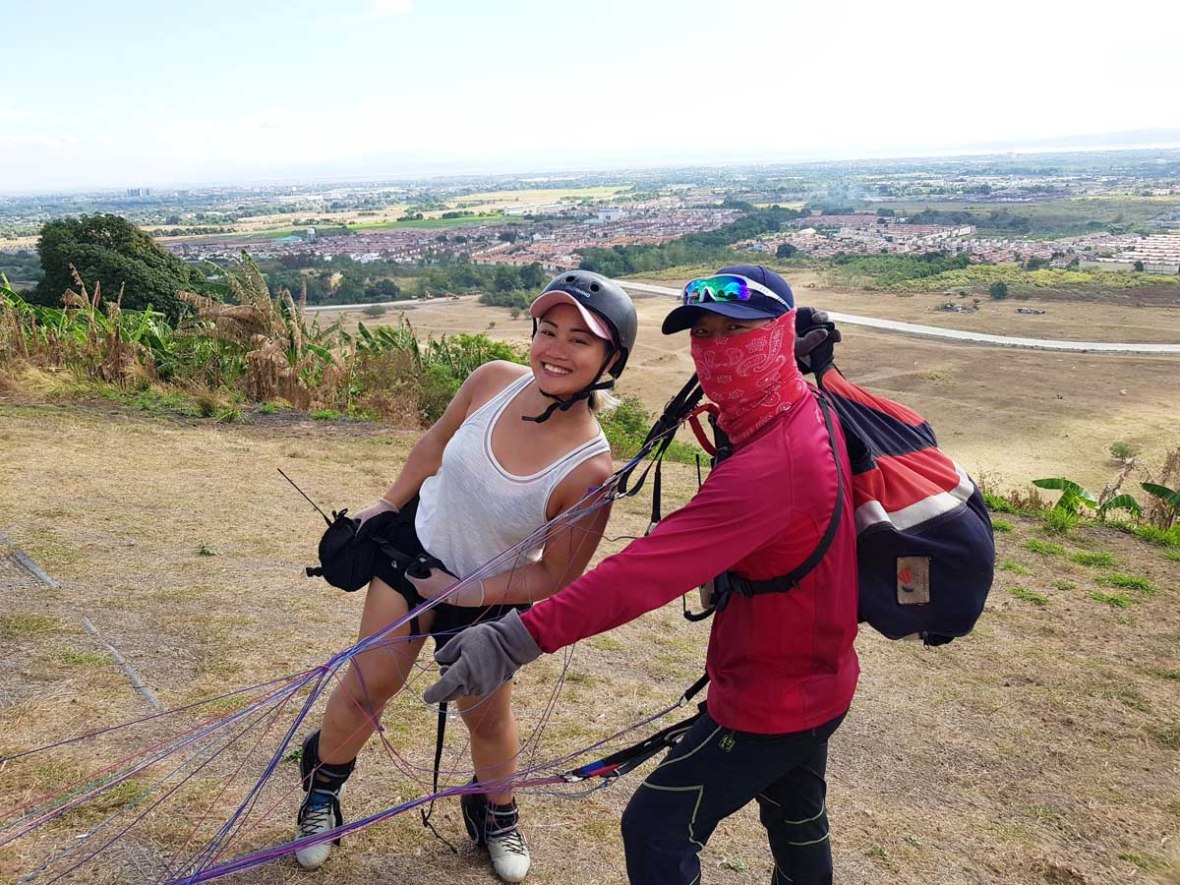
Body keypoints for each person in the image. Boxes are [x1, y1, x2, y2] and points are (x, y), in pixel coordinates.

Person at [424, 265, 860, 885]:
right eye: (703, 333)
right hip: (816, 675)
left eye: (737, 331)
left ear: (780, 336)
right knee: (796, 818)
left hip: (775, 699)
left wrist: (513, 638)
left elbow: (645, 572)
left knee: (657, 831)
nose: (716, 349)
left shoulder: (774, 463)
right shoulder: (802, 408)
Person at [295, 271, 638, 884]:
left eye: (580, 340)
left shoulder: (590, 471)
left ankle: (497, 813)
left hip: (487, 596)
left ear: (610, 360)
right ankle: (322, 790)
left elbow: (554, 575)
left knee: (484, 714)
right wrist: (387, 502)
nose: (556, 350)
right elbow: (434, 445)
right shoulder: (491, 381)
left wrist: (467, 591)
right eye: (548, 331)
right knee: (371, 684)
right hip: (412, 557)